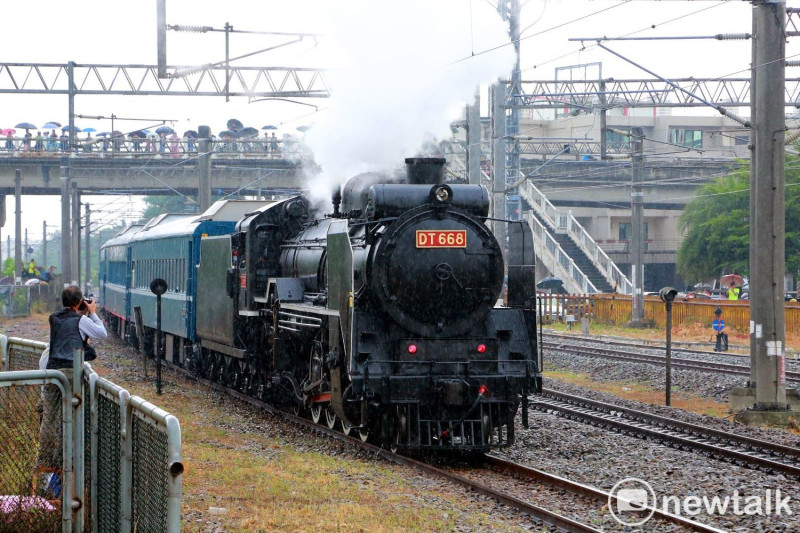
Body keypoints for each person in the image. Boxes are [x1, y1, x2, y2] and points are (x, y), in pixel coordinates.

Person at [36, 285, 107, 494]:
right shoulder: (82, 320)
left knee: (49, 417)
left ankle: (45, 458)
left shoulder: (53, 318)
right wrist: (92, 313)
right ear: (79, 302)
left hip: (52, 373)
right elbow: (102, 333)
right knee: (74, 415)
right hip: (70, 373)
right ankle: (70, 454)